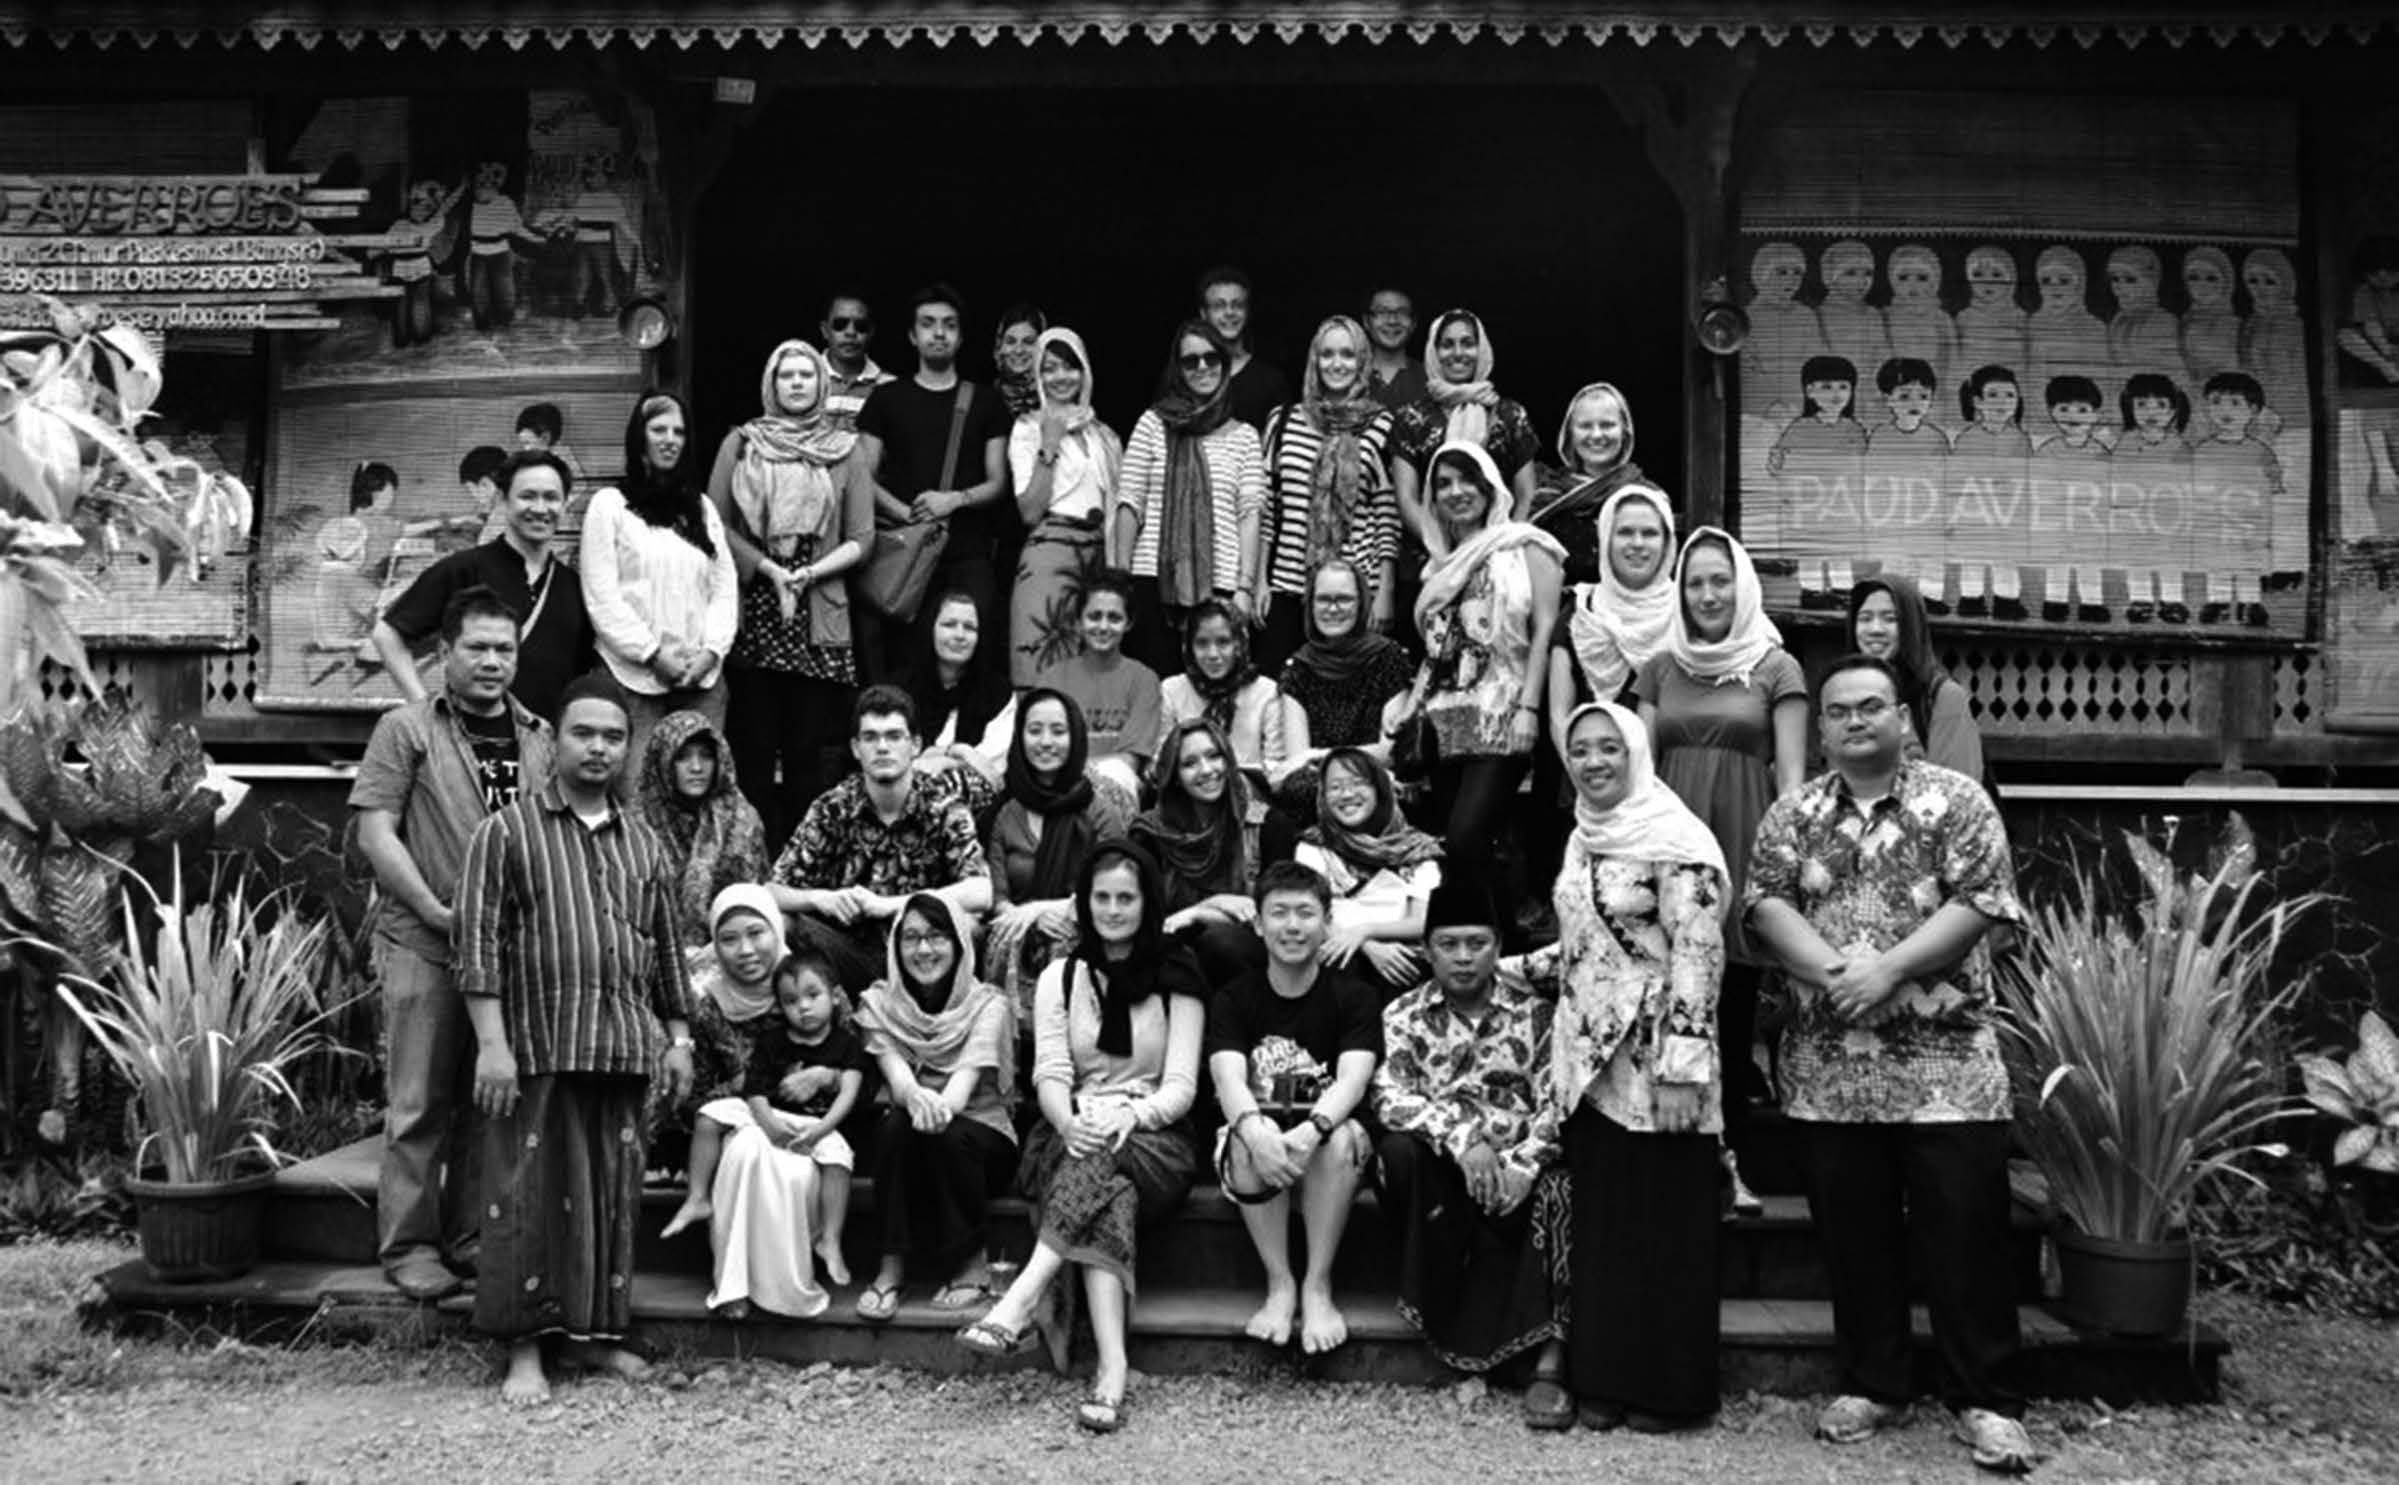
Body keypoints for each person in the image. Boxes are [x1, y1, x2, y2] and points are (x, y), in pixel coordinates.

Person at [1745, 656, 2034, 1475]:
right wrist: (1844, 975)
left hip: (1949, 1067)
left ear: (1903, 717)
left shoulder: (1956, 800)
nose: (1853, 720)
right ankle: (1873, 1380)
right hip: (1832, 1067)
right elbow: (1764, 905)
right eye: (1837, 711)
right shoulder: (1792, 812)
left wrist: (1890, 968)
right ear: (1823, 726)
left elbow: (1981, 899)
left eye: (1871, 706)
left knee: (1965, 1236)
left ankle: (1985, 1397)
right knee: (1855, 1233)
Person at [457, 673, 695, 1405]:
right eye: (582, 733)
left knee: (608, 1201)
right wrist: (491, 1044)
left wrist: (679, 1037)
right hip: (536, 1048)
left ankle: (596, 1341)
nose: (598, 747)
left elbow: (665, 952)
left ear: (628, 749)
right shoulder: (507, 831)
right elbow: (477, 944)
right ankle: (524, 1350)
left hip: (620, 1048)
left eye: (613, 736)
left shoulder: (644, 843)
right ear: (553, 741)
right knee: (524, 1200)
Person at [1523, 701, 1728, 1433]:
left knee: (1665, 1222)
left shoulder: (1678, 843)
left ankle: (1668, 1388)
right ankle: (1604, 1379)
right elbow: (1582, 947)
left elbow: (1698, 956)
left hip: (1660, 1063)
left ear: (1636, 753)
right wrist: (1498, 970)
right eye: (1580, 750)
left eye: (1609, 747)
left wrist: (1683, 1068)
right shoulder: (1584, 837)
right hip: (1590, 1065)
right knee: (1607, 1226)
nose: (1594, 761)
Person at [958, 842, 1207, 1436]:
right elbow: (1050, 1074)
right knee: (1107, 1195)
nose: (1114, 910)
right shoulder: (1059, 976)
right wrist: (1070, 1121)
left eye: (1127, 897)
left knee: (1109, 1160)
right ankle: (1114, 1371)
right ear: (1083, 902)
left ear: (1148, 902)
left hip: (1155, 1140)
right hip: (1068, 1132)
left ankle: (1022, 1293)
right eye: (1102, 897)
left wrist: (1132, 1116)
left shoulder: (1180, 975)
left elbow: (1180, 1087)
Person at [352, 587, 555, 1301]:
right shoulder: (405, 729)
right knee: (418, 1099)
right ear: (445, 652)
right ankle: (409, 1244)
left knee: (487, 1100)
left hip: (505, 950)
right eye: (478, 647)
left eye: (505, 648)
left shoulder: (539, 737)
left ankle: (471, 1235)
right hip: (424, 939)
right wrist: (436, 908)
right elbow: (375, 832)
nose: (493, 661)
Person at [1634, 526, 1806, 1204]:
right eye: (1693, 582)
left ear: (1740, 584)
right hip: (1667, 846)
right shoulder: (1659, 665)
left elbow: (1790, 778)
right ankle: (1668, 1160)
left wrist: (1780, 868)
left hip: (1739, 844)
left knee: (1728, 1009)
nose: (1706, 593)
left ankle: (1725, 1159)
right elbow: (1637, 769)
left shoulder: (1774, 665)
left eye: (1717, 579)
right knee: (1665, 1000)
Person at [1371, 880, 1566, 1408]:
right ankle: (1433, 1305)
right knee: (1398, 1154)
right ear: (1427, 950)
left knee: (1564, 1183)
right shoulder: (1403, 1015)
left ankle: (1550, 1353)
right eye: (1449, 945)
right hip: (1445, 1167)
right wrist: (1463, 1143)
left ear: (1498, 947)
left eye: (1476, 944)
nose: (1463, 958)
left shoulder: (1539, 1015)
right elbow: (1389, 1096)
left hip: (1520, 1168)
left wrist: (1522, 1165)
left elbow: (1559, 1103)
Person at [1207, 861, 1384, 1354]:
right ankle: (1280, 1281)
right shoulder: (1233, 998)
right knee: (1247, 1133)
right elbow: (1228, 1078)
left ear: (1327, 923)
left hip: (1328, 1149)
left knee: (1339, 1134)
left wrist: (1310, 1131)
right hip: (1259, 1151)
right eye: (1279, 913)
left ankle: (1318, 1284)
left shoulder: (1356, 996)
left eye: (1306, 913)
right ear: (1258, 925)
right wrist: (1255, 1130)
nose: (1292, 926)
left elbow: (1353, 1079)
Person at [706, 339, 875, 850]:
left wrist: (806, 575)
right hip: (758, 606)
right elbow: (714, 523)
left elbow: (862, 538)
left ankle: (803, 866)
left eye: (806, 374)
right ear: (771, 384)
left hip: (817, 611)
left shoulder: (846, 450)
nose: (797, 383)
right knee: (754, 750)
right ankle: (753, 865)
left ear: (821, 383)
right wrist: (771, 571)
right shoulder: (741, 443)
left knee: (808, 756)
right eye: (787, 375)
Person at [661, 932, 866, 1320]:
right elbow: (751, 1090)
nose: (802, 1008)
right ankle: (701, 1205)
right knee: (724, 1127)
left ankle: (830, 1241)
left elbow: (855, 1091)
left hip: (817, 1127)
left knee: (834, 1159)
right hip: (763, 1118)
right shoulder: (763, 1035)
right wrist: (768, 1124)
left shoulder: (844, 1039)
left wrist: (822, 1107)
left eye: (812, 997)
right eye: (791, 1001)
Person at [1402, 441, 1564, 879]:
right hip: (1444, 720)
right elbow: (1436, 652)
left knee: (1466, 836)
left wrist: (1529, 708)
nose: (1456, 492)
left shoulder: (1528, 548)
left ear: (1490, 486)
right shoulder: (1436, 568)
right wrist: (1410, 707)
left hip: (1503, 714)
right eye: (1443, 484)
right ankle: (1496, 940)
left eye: (1467, 480)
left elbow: (1545, 631)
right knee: (1466, 849)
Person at [856, 894, 1021, 1320]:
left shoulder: (989, 1005)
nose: (923, 950)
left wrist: (927, 1101)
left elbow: (959, 1093)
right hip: (911, 1138)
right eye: (910, 938)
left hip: (981, 1140)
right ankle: (891, 1266)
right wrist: (914, 1096)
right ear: (895, 947)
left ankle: (971, 1263)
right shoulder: (878, 1004)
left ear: (960, 944)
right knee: (893, 1125)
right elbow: (898, 1078)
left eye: (936, 936)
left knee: (944, 1131)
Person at [768, 685, 993, 994]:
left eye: (893, 736)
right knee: (780, 922)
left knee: (968, 926)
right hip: (848, 954)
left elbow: (980, 891)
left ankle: (930, 1026)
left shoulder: (942, 805)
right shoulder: (834, 807)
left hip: (922, 951)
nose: (882, 747)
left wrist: (889, 906)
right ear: (856, 748)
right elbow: (772, 890)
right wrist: (820, 898)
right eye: (871, 738)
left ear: (915, 745)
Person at [581, 390, 740, 793]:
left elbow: (724, 588)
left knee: (701, 798)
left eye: (679, 431)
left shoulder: (701, 509)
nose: (670, 439)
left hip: (700, 680)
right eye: (658, 429)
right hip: (632, 677)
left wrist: (711, 652)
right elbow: (601, 595)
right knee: (637, 795)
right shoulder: (610, 506)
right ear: (639, 438)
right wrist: (652, 654)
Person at [856, 283, 1016, 680]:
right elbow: (862, 476)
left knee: (974, 654)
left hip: (968, 552)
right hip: (906, 553)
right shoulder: (885, 399)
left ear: (961, 336)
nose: (938, 333)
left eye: (948, 325)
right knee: (907, 660)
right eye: (928, 324)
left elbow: (998, 482)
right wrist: (908, 513)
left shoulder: (985, 402)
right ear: (913, 335)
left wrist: (954, 500)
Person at [372, 449, 594, 724]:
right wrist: (427, 714)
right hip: (469, 750)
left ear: (565, 503)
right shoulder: (464, 568)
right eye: (527, 496)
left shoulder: (574, 586)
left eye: (551, 497)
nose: (540, 508)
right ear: (503, 500)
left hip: (545, 752)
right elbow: (387, 634)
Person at [1114, 319, 1268, 673]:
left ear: (1225, 364)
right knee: (1160, 688)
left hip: (1221, 582)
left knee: (1217, 694)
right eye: (1191, 361)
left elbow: (1250, 513)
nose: (1202, 368)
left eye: (1212, 358)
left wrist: (1245, 587)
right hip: (1152, 579)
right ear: (1178, 369)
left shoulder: (1245, 436)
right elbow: (1129, 503)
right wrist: (1120, 582)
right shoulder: (1153, 424)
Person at [1255, 315, 1400, 670]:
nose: (1337, 364)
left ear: (1363, 362)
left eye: (1348, 355)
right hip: (1289, 587)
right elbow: (1267, 507)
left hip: (1353, 590)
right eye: (1328, 354)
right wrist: (1259, 580)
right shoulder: (1284, 420)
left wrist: (1385, 593)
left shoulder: (1381, 425)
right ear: (1314, 361)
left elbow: (1386, 515)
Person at [984, 689, 1137, 1000]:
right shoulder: (1006, 814)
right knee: (1004, 938)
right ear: (1020, 737)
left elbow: (1113, 889)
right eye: (1034, 730)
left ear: (1076, 737)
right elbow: (999, 900)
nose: (1045, 742)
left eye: (1058, 731)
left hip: (1083, 926)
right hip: (1017, 933)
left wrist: (1042, 910)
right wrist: (1029, 918)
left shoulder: (1101, 812)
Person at [1009, 327, 1122, 686]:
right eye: (1050, 368)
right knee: (1043, 666)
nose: (1061, 377)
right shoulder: (1027, 428)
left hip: (1098, 560)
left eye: (1070, 367)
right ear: (1037, 375)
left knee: (1091, 671)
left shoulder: (1102, 434)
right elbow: (1029, 511)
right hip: (1050, 556)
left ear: (1085, 370)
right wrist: (1049, 444)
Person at [1388, 309, 1542, 553]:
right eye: (1447, 345)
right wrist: (1447, 550)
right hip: (1433, 559)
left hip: (1502, 556)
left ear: (1481, 350)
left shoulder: (1510, 416)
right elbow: (1407, 499)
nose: (1458, 353)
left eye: (1468, 343)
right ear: (1434, 352)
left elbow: (1528, 494)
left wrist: (1503, 546)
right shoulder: (1410, 419)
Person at [1293, 748, 1439, 999]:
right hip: (1335, 947)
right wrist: (1366, 946)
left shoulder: (1414, 849)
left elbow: (1420, 921)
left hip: (1399, 950)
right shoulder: (1313, 846)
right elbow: (1311, 912)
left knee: (1401, 971)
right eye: (1335, 787)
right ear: (1323, 796)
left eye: (1358, 784)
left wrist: (1365, 932)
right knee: (1340, 964)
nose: (1347, 795)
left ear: (1379, 790)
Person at [1274, 558, 1418, 812]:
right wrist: (1322, 763)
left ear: (1361, 603)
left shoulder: (1388, 658)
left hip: (1373, 776)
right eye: (1323, 599)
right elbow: (1298, 758)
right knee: (1296, 791)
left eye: (1344, 599)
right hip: (1323, 784)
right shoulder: (1298, 668)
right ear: (1310, 604)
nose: (1333, 609)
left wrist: (1321, 755)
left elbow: (1391, 752)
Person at [1137, 717, 1272, 983]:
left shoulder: (1266, 824)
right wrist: (1214, 904)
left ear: (1229, 760)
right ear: (1174, 777)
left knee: (1220, 943)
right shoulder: (1150, 833)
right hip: (1172, 956)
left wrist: (1198, 914)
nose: (1207, 770)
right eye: (1189, 764)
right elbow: (1150, 919)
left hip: (1246, 960)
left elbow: (1271, 914)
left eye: (1214, 756)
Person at [632, 709, 769, 956]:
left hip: (736, 952)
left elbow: (757, 902)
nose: (696, 767)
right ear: (663, 761)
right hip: (655, 956)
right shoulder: (637, 824)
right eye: (682, 758)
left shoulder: (741, 819)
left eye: (706, 756)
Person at [1035, 569, 1164, 797]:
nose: (1103, 627)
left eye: (1114, 618)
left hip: (1116, 794)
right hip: (1059, 790)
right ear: (1078, 622)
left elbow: (1129, 762)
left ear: (1128, 623)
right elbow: (1043, 752)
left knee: (1117, 773)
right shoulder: (1053, 679)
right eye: (1094, 616)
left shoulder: (1144, 680)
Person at [1848, 575, 1985, 781]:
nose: (1875, 629)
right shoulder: (1847, 695)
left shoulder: (1943, 697)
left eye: (1890, 618)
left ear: (1911, 626)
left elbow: (1956, 793)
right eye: (1865, 618)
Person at [1529, 382, 1661, 588]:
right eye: (1585, 426)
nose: (1597, 435)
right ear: (1570, 433)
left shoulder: (1649, 497)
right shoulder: (1549, 494)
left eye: (1607, 425)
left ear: (1625, 431)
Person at [896, 589, 1016, 815]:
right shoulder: (901, 689)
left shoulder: (997, 692)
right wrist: (967, 756)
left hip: (977, 812)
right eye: (949, 624)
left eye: (970, 627)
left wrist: (946, 756)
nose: (960, 635)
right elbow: (892, 759)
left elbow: (994, 771)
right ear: (931, 628)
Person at [1159, 598, 1289, 806]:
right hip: (1189, 799)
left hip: (1250, 800)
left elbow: (1276, 766)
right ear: (1189, 647)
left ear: (1239, 642)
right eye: (1202, 643)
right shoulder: (1173, 690)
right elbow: (1163, 760)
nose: (1213, 654)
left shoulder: (1265, 692)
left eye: (1223, 642)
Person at [1198, 264, 1292, 429]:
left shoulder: (1271, 381)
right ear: (1204, 314)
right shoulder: (1189, 373)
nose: (1229, 312)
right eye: (1219, 306)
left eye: (1237, 305)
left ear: (1247, 312)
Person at [819, 291, 895, 427]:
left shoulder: (891, 388)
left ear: (871, 332)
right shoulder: (799, 378)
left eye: (861, 326)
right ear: (825, 330)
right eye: (840, 324)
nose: (851, 332)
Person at [1363, 287, 1427, 412]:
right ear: (1366, 321)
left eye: (1402, 312)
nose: (1392, 321)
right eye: (1382, 312)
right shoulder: (1351, 375)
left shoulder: (1429, 379)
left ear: (1414, 323)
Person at [991, 303, 1048, 420]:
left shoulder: (1059, 398)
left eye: (1029, 342)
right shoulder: (984, 401)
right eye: (1011, 342)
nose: (1019, 350)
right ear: (999, 347)